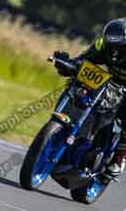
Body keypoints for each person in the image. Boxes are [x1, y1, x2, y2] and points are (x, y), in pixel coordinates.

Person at [54, 18, 126, 180]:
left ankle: (119, 158)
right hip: (112, 80)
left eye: (120, 48)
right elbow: (85, 60)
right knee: (78, 87)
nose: (115, 51)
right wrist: (69, 64)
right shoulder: (102, 44)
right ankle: (68, 135)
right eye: (112, 45)